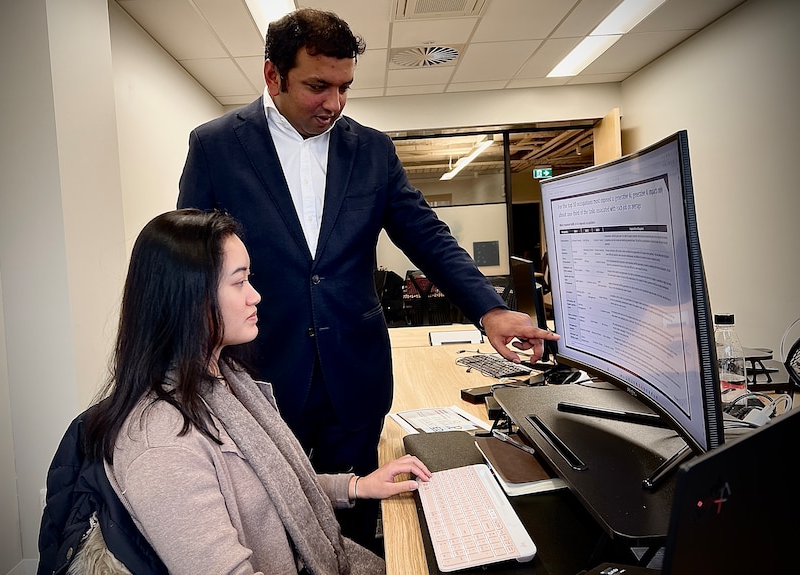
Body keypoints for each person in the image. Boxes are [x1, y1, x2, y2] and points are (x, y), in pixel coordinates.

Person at [177, 7, 559, 551]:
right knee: (267, 516)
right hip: (259, 371)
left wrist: (488, 308)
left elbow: (425, 234)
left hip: (354, 375)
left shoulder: (372, 150)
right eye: (316, 86)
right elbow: (188, 260)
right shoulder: (216, 145)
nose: (333, 103)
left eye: (344, 87)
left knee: (357, 518)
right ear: (272, 75)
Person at [74, 209, 431, 574]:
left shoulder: (226, 379)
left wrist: (357, 486)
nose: (255, 296)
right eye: (239, 282)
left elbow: (275, 490)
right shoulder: (161, 445)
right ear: (190, 297)